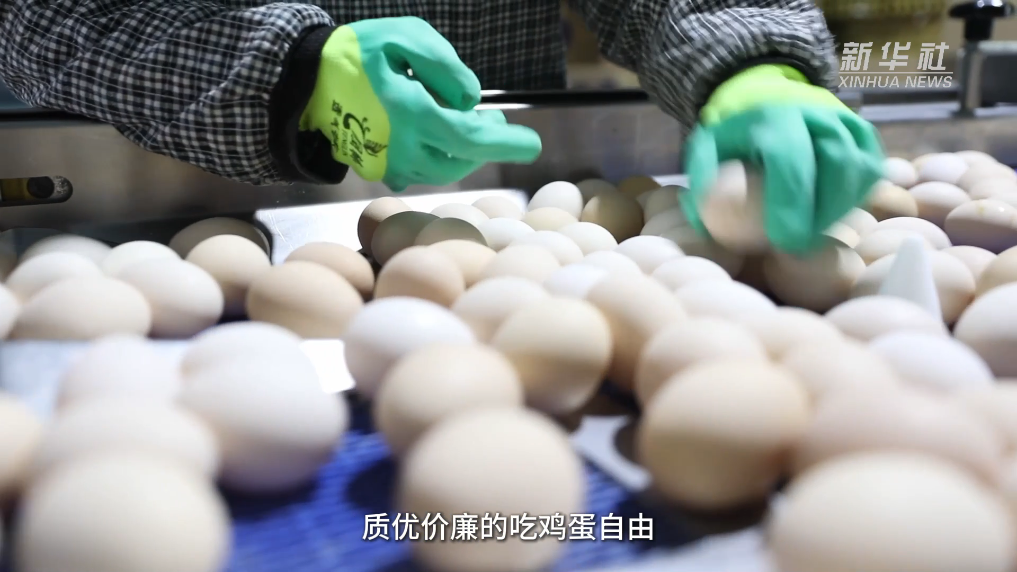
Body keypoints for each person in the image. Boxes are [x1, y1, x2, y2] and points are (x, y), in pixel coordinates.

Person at [0, 0, 883, 252]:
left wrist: (748, 59)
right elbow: (37, 19)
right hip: (181, 181)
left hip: (500, 209)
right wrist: (291, 74)